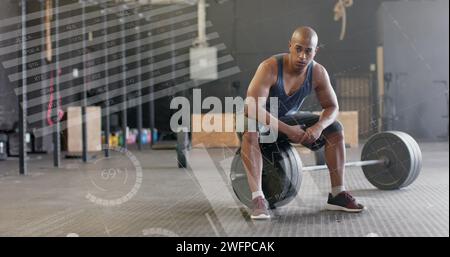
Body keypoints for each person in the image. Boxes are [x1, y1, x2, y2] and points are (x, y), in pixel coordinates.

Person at [240, 26, 365, 220]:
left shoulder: (318, 72)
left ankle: (337, 194)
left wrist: (318, 127)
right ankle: (258, 199)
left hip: (286, 121)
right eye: (298, 49)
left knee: (334, 129)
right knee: (250, 129)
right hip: (258, 119)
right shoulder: (270, 67)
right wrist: (289, 130)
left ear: (316, 51)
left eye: (308, 51)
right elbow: (251, 107)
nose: (302, 56)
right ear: (290, 46)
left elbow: (332, 107)